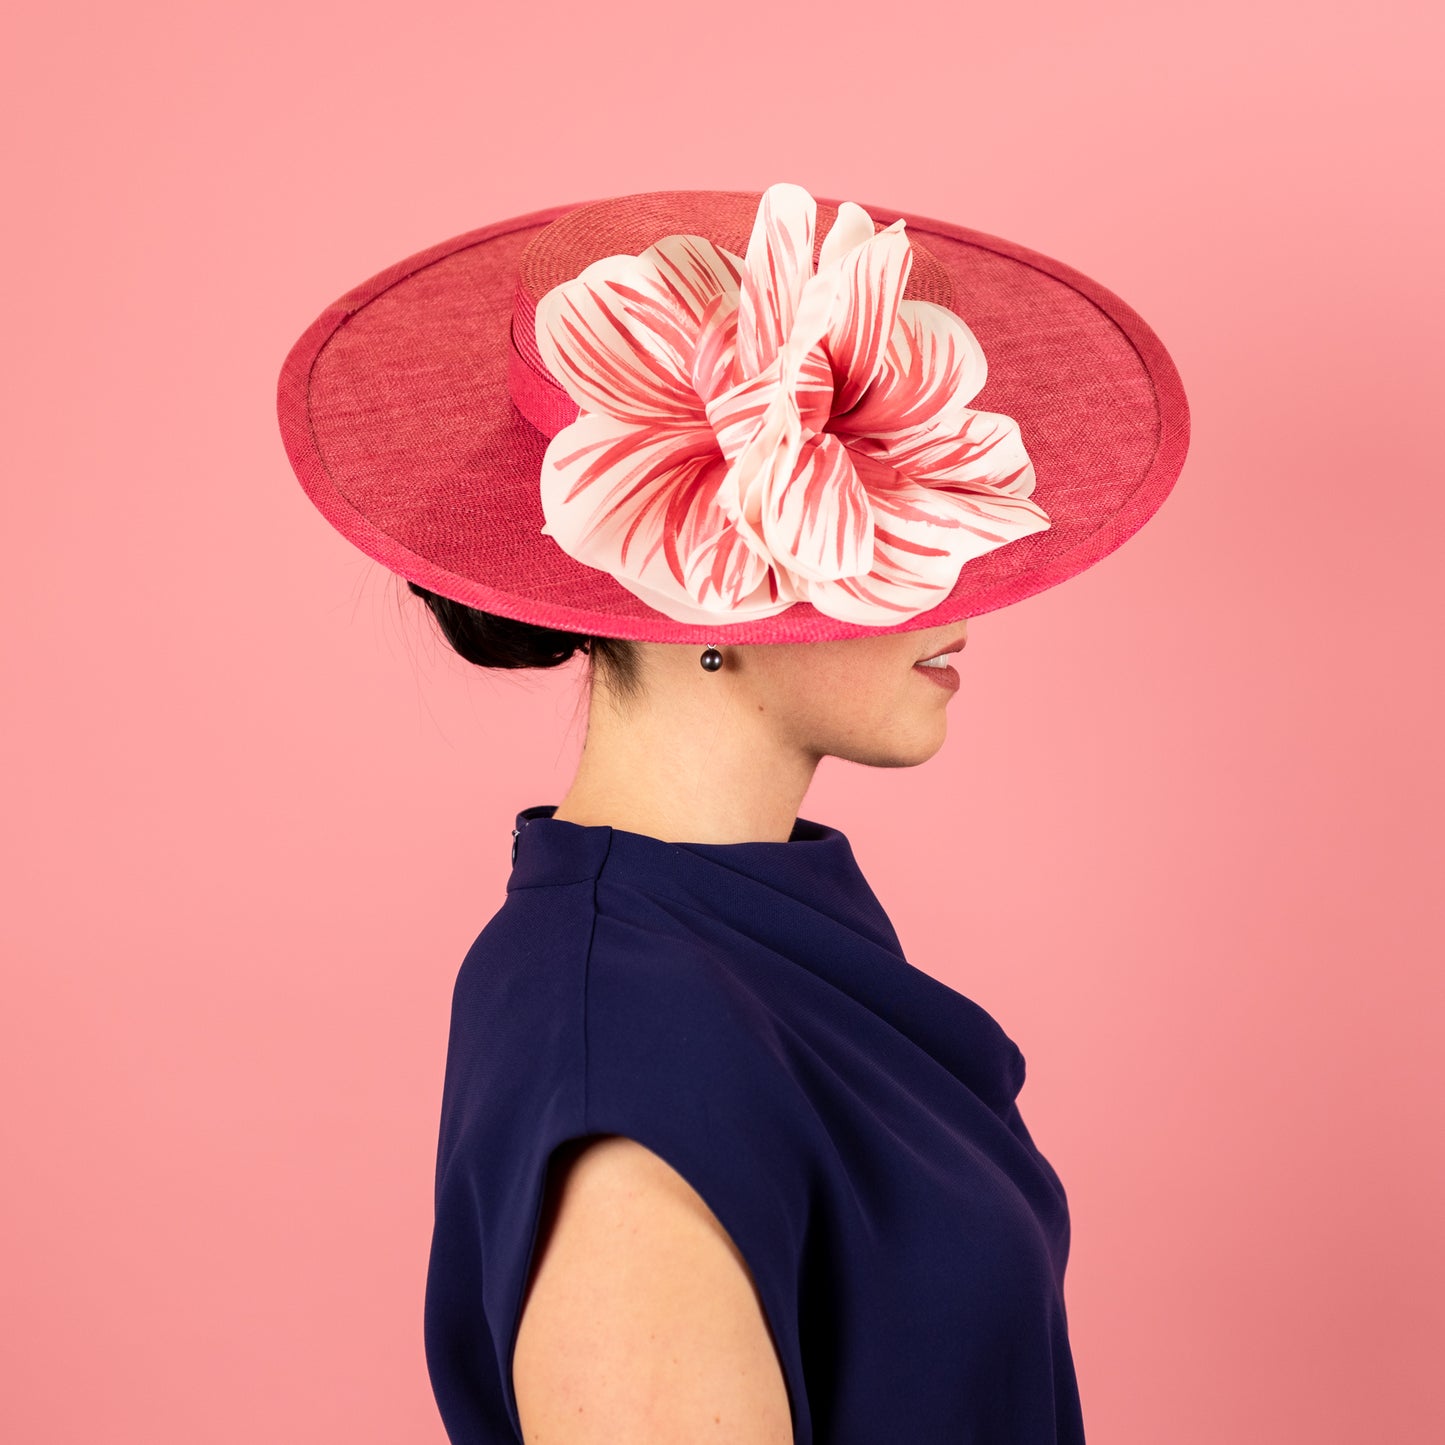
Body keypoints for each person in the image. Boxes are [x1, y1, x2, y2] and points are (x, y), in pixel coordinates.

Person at [277, 180, 1191, 1443]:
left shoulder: (740, 934)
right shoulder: (626, 1050)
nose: (963, 592)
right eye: (898, 524)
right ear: (713, 591)